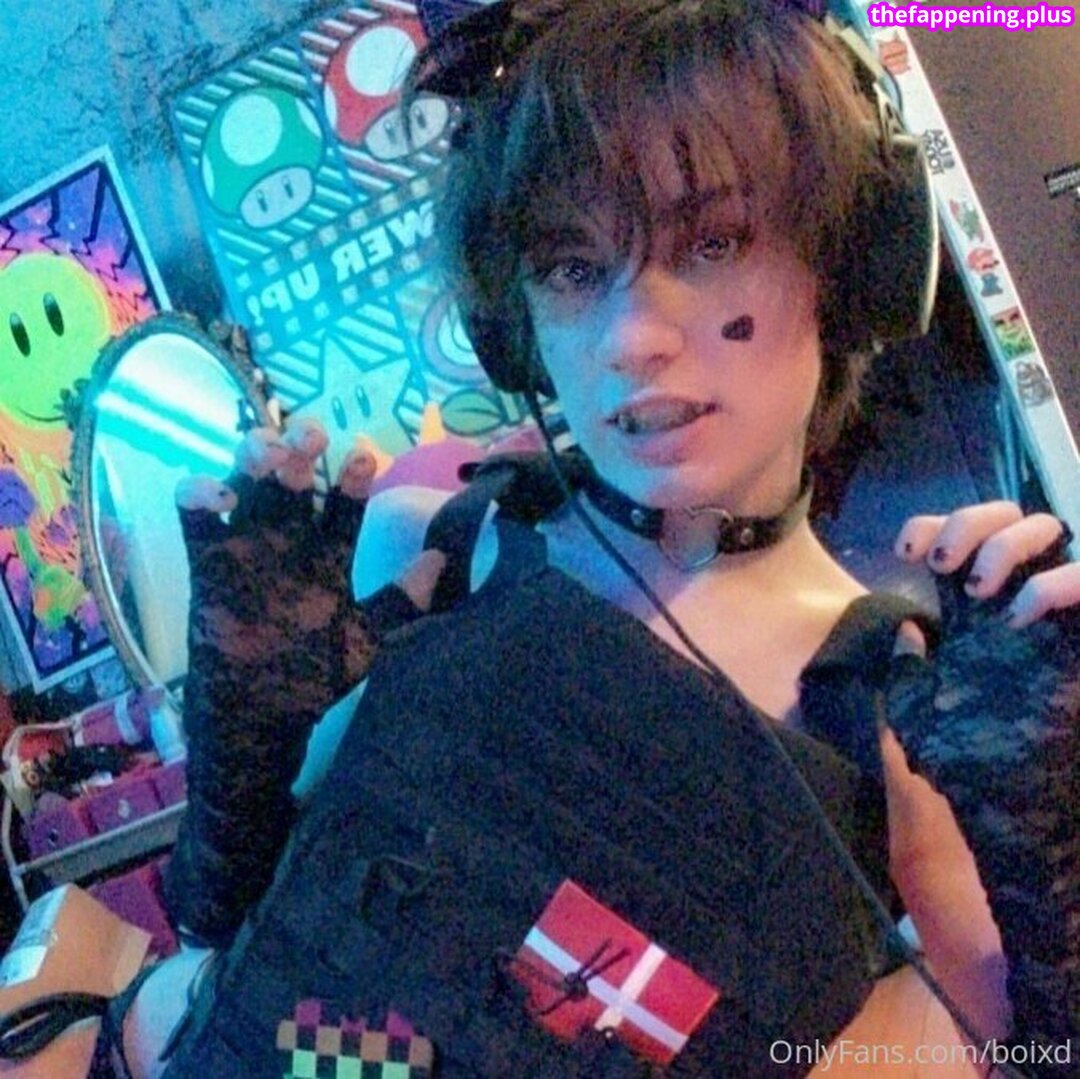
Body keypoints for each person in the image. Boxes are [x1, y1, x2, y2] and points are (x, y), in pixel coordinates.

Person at [43, 0, 1080, 1075]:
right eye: (575, 268)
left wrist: (1047, 844)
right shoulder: (442, 548)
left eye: (713, 242)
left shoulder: (894, 717)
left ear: (852, 266)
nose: (631, 337)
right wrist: (251, 728)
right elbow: (244, 936)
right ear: (512, 325)